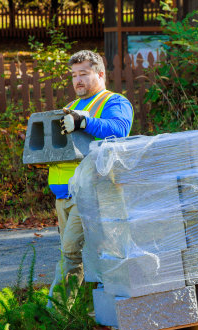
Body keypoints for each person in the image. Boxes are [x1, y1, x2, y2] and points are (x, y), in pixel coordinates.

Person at [47, 50, 133, 308]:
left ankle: (56, 315)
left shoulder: (114, 101)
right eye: (73, 75)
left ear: (100, 73)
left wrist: (84, 122)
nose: (77, 81)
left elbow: (119, 130)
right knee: (80, 256)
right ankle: (87, 309)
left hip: (91, 193)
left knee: (71, 253)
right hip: (63, 196)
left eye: (83, 74)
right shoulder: (70, 108)